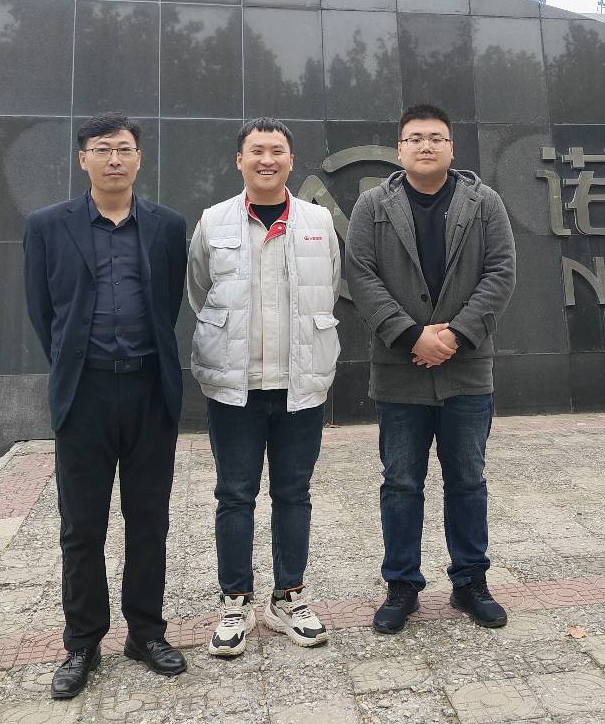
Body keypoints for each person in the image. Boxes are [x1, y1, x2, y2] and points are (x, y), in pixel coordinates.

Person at [23, 113, 191, 699]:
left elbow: (169, 303)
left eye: (124, 149)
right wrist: (77, 362)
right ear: (83, 159)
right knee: (82, 525)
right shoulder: (47, 226)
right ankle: (82, 642)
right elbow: (43, 312)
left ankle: (146, 633)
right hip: (85, 393)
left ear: (139, 158)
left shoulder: (168, 226)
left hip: (148, 390)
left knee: (149, 520)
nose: (114, 159)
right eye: (102, 149)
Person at [344, 104, 517, 634]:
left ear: (451, 148)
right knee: (400, 482)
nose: (426, 145)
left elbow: (501, 272)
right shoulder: (372, 206)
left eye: (436, 137)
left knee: (467, 479)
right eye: (415, 138)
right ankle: (402, 586)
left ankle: (470, 582)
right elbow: (361, 276)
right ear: (399, 149)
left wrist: (454, 336)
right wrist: (411, 335)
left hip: (467, 371)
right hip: (399, 370)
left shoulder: (484, 203)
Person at [188, 117, 341, 657]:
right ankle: (236, 602)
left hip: (300, 383)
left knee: (293, 493)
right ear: (240, 160)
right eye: (257, 151)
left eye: (277, 151)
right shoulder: (213, 221)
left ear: (291, 160)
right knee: (234, 494)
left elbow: (330, 285)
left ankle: (288, 598)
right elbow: (200, 290)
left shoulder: (318, 221)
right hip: (236, 386)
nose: (267, 160)